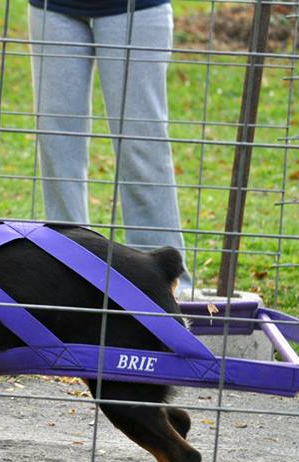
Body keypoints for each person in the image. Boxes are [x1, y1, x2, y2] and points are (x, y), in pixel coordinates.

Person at [28, 0, 193, 293]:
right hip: (51, 8)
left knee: (140, 143)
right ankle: (69, 275)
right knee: (56, 142)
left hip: (136, 8)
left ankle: (166, 286)